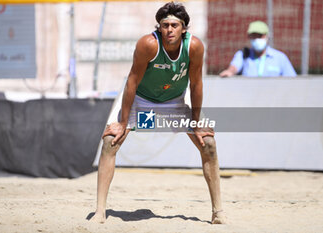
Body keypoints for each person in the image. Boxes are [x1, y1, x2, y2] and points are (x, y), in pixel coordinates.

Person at [90, 2, 226, 224]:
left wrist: (196, 122)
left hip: (173, 102)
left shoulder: (194, 47)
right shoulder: (148, 44)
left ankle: (218, 212)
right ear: (159, 27)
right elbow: (131, 83)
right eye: (165, 25)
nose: (169, 30)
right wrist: (123, 122)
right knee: (110, 141)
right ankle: (100, 211)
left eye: (174, 25)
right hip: (141, 101)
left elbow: (196, 85)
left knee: (208, 143)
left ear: (183, 28)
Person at [219, 20, 297, 77]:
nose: (256, 39)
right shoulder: (243, 55)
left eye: (259, 36)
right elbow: (234, 67)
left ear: (266, 36)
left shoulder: (280, 57)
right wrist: (229, 72)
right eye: (253, 36)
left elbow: (292, 80)